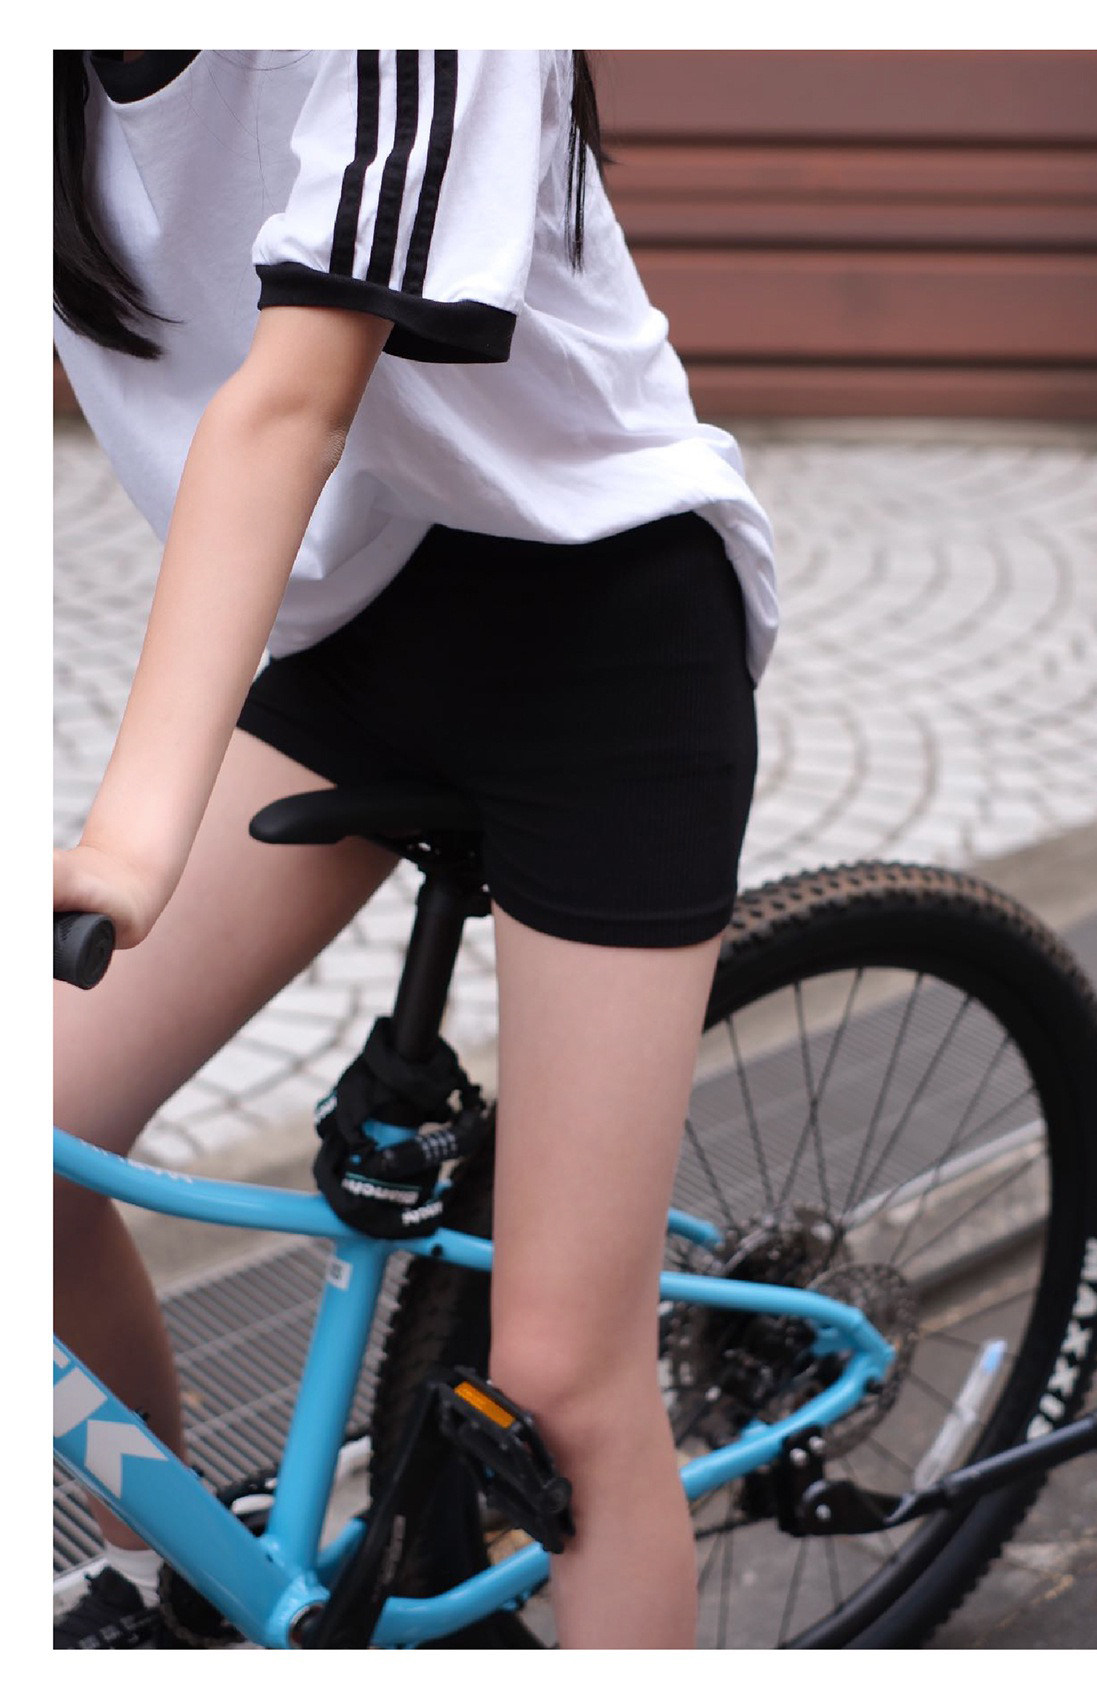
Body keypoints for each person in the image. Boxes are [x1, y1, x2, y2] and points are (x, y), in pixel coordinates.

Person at [52, 49, 777, 1649]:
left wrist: (131, 832)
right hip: (358, 627)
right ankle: (173, 1596)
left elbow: (292, 399)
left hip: (605, 632)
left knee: (561, 1386)